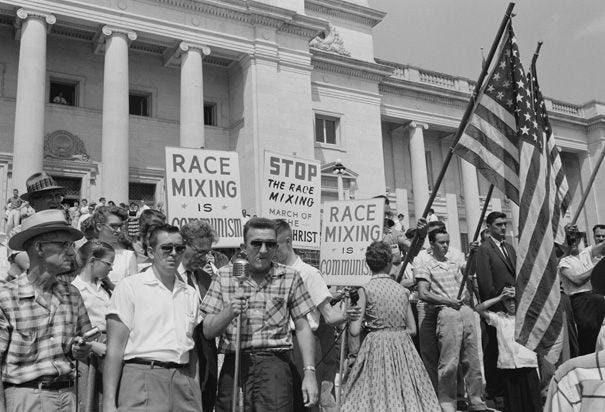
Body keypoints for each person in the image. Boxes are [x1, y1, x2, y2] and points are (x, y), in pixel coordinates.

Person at [201, 217, 319, 411]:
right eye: (256, 243)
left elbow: (302, 326)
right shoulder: (224, 275)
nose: (263, 250)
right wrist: (229, 312)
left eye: (270, 244)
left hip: (275, 367)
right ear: (244, 246)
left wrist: (309, 373)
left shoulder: (290, 277)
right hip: (235, 365)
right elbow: (207, 330)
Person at [0, 210, 92, 411]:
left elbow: (84, 344)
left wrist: (79, 348)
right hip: (24, 398)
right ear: (39, 248)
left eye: (72, 245)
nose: (71, 252)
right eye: (63, 245)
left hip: (68, 396)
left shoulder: (72, 294)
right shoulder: (6, 297)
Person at [103, 224, 202, 412]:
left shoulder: (190, 293)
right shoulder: (130, 287)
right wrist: (109, 402)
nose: (174, 253)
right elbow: (115, 348)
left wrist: (195, 393)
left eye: (179, 248)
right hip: (143, 376)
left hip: (183, 379)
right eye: (167, 248)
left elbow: (193, 349)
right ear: (150, 251)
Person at [342, 241, 439, 411]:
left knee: (375, 392)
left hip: (376, 345)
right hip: (403, 346)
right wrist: (396, 333)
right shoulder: (402, 290)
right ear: (388, 263)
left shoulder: (365, 290)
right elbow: (413, 329)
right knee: (406, 391)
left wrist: (365, 321)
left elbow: (354, 330)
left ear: (368, 264)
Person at [274, 219, 361, 410]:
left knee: (305, 402)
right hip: (277, 344)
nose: (270, 251)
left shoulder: (309, 274)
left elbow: (329, 316)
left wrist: (348, 314)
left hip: (301, 344)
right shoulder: (273, 272)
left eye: (275, 245)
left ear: (288, 241)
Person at [414, 228, 487, 412]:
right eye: (441, 242)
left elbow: (469, 271)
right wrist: (447, 301)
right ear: (432, 244)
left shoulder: (454, 261)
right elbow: (423, 293)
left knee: (471, 356)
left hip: (464, 309)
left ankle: (476, 398)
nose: (445, 246)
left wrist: (473, 254)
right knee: (449, 359)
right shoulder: (425, 264)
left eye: (447, 242)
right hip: (445, 311)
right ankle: (447, 400)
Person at [178, 220, 229, 412]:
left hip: (206, 359)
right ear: (183, 244)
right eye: (199, 251)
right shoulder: (166, 276)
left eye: (208, 252)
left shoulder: (207, 278)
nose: (205, 257)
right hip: (180, 361)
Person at [475, 287, 541, 412]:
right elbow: (478, 308)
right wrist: (500, 297)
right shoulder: (499, 319)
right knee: (514, 404)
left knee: (532, 403)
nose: (511, 304)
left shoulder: (529, 316)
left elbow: (537, 302)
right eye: (508, 301)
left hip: (527, 365)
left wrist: (521, 295)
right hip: (508, 365)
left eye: (514, 300)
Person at [476, 211, 516, 402]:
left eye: (504, 224)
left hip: (512, 307)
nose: (503, 227)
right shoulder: (484, 249)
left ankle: (509, 387)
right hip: (496, 308)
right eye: (498, 224)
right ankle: (494, 390)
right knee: (493, 348)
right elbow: (485, 283)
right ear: (489, 226)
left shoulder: (509, 248)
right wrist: (497, 305)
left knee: (509, 347)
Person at [72, 240, 115, 412]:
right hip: (90, 350)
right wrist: (92, 346)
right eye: (108, 264)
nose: (111, 269)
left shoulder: (104, 287)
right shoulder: (76, 288)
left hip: (108, 346)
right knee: (89, 398)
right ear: (92, 261)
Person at [559, 225, 605, 355]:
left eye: (575, 239)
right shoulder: (564, 261)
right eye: (569, 241)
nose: (573, 243)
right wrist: (595, 268)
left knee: (600, 333)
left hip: (597, 298)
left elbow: (602, 244)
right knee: (587, 334)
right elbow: (577, 280)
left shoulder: (587, 252)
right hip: (581, 301)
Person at [92, 205, 137, 286]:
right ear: (99, 226)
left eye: (120, 226)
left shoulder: (128, 257)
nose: (119, 230)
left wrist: (112, 286)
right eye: (113, 226)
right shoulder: (85, 253)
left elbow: (134, 292)